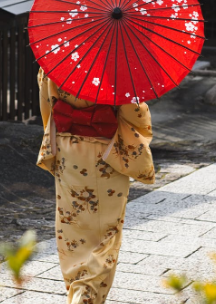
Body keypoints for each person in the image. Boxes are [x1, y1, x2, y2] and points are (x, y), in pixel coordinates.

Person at [36, 68, 155, 304]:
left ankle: (77, 288)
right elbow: (134, 113)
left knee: (72, 227)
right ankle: (86, 295)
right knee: (106, 233)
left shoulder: (55, 59)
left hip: (68, 151)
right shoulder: (119, 66)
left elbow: (47, 103)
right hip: (106, 153)